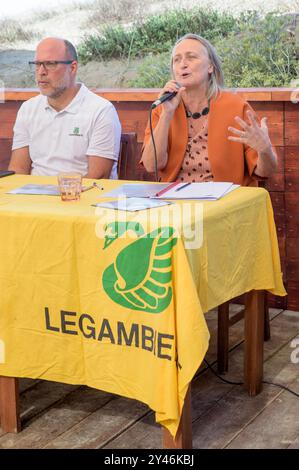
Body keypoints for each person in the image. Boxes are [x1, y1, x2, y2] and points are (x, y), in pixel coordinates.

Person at [141, 33, 277, 185]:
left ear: (211, 66)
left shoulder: (237, 107)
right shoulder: (162, 107)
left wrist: (265, 150)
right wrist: (167, 114)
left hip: (225, 200)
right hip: (175, 199)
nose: (182, 64)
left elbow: (266, 171)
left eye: (191, 57)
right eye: (176, 59)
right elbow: (151, 165)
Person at [9, 37, 121, 179]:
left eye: (50, 64)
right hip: (33, 197)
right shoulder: (28, 108)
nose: (41, 72)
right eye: (37, 64)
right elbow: (18, 169)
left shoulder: (101, 111)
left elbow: (98, 178)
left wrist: (56, 196)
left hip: (80, 197)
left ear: (72, 68)